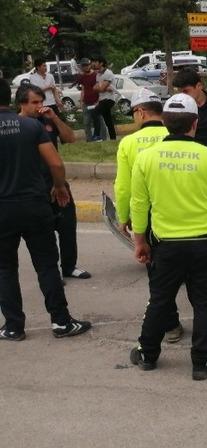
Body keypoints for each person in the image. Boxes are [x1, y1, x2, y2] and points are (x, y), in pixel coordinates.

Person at [128, 93, 207, 380]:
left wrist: (140, 240)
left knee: (160, 300)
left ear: (166, 123)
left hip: (166, 247)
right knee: (205, 303)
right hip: (206, 245)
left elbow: (139, 204)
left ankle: (147, 354)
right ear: (195, 123)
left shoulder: (146, 159)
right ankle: (201, 362)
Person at [0, 79, 92, 342]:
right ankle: (61, 322)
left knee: (5, 269)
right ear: (11, 99)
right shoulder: (31, 126)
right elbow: (55, 162)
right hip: (34, 205)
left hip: (2, 209)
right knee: (47, 266)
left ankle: (13, 326)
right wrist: (59, 186)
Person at [114, 88, 200, 343]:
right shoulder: (175, 133)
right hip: (185, 210)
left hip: (151, 217)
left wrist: (124, 216)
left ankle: (171, 325)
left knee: (158, 274)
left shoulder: (128, 143)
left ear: (140, 112)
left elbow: (123, 185)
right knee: (196, 271)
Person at [16, 84, 91, 281]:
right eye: (34, 102)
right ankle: (51, 273)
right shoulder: (18, 126)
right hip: (35, 187)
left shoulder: (46, 121)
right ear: (22, 103)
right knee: (45, 234)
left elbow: (70, 138)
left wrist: (55, 118)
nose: (39, 106)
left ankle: (69, 266)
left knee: (67, 225)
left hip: (56, 182)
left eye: (41, 101)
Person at [74, 58, 103, 142]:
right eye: (83, 66)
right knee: (86, 123)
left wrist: (99, 101)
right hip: (86, 103)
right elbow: (83, 89)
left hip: (96, 102)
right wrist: (81, 101)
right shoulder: (82, 77)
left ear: (90, 65)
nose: (85, 67)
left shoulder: (96, 75)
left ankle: (102, 138)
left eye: (87, 65)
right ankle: (89, 140)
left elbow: (100, 88)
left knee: (100, 121)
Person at [92, 56, 117, 140]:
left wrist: (101, 88)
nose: (93, 64)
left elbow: (101, 88)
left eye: (95, 62)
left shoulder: (108, 73)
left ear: (101, 63)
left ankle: (97, 135)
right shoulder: (98, 75)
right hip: (102, 99)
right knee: (108, 120)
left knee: (95, 112)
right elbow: (94, 88)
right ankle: (113, 138)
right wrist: (103, 88)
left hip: (109, 99)